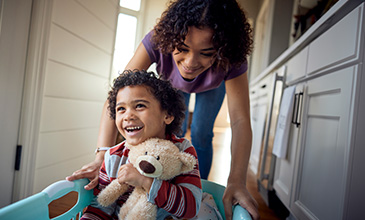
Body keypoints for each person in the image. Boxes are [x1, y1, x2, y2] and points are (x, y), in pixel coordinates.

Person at [67, 0, 259, 219]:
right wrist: (101, 156)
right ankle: (164, 187)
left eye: (206, 53)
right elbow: (118, 96)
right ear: (171, 40)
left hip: (211, 85)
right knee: (169, 134)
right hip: (171, 83)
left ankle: (195, 187)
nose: (190, 62)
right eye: (182, 49)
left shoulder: (231, 58)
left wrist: (237, 181)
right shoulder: (157, 39)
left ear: (222, 50)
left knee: (202, 133)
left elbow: (240, 120)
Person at [80, 70, 202, 220]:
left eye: (139, 106)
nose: (128, 116)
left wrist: (146, 181)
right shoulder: (113, 156)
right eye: (121, 109)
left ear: (168, 115)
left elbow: (190, 208)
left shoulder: (182, 151)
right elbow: (101, 206)